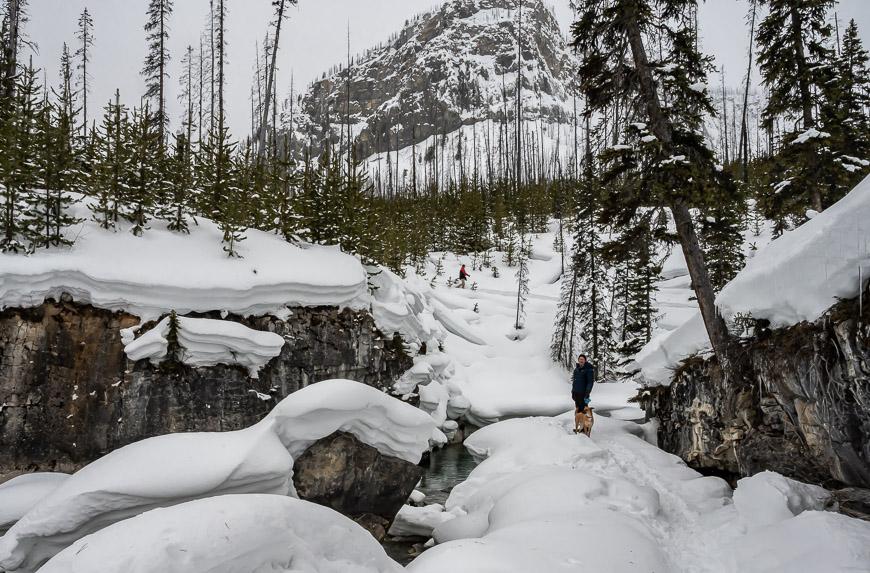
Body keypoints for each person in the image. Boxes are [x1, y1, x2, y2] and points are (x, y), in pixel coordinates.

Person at [572, 354, 595, 435]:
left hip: (584, 394)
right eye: (580, 359)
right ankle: (580, 428)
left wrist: (587, 393)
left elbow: (590, 382)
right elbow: (574, 382)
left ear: (585, 360)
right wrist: (573, 391)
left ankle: (585, 429)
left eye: (582, 359)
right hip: (576, 393)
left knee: (583, 411)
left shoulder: (589, 369)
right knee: (578, 411)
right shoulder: (576, 369)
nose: (581, 360)